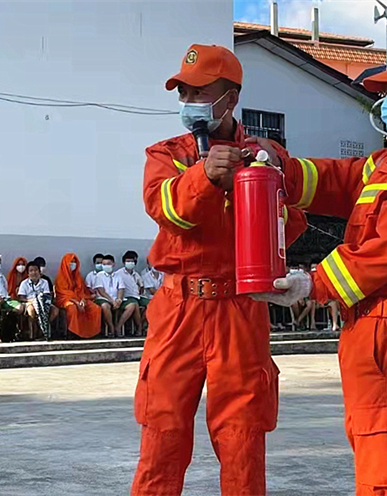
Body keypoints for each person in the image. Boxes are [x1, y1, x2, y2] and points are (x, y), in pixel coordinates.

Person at [251, 39, 387, 496]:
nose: (384, 100)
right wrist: (283, 167)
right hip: (376, 330)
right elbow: (341, 178)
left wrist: (311, 284)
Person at [132, 43, 307, 496]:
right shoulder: (166, 154)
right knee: (162, 433)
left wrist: (258, 183)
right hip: (178, 308)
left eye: (198, 92)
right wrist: (205, 177)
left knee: (242, 437)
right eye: (183, 93)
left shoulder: (263, 157)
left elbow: (287, 227)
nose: (189, 103)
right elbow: (167, 209)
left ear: (229, 98)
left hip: (239, 308)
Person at [55, 253, 102, 339]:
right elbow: (65, 294)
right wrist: (77, 302)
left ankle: (91, 333)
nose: (73, 264)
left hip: (80, 299)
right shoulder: (60, 278)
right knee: (72, 308)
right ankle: (73, 332)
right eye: (71, 262)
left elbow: (82, 291)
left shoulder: (78, 276)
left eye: (74, 262)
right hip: (66, 300)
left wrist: (83, 300)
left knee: (95, 308)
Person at [18, 262, 57, 340]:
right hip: (29, 302)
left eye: (36, 270)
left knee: (55, 310)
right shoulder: (24, 283)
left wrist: (40, 301)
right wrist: (32, 301)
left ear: (40, 272)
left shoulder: (44, 282)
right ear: (28, 273)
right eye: (31, 271)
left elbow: (47, 296)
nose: (33, 273)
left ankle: (43, 328)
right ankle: (33, 333)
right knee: (31, 310)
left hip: (43, 303)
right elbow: (21, 297)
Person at [91, 254, 122, 337]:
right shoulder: (99, 275)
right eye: (104, 264)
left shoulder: (118, 275)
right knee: (105, 306)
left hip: (116, 299)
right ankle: (111, 327)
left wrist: (119, 299)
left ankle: (118, 326)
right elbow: (101, 291)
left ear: (113, 264)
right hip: (103, 298)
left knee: (132, 306)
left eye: (108, 264)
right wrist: (112, 301)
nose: (106, 266)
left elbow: (121, 288)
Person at [115, 251, 144, 337]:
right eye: (128, 261)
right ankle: (137, 327)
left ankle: (140, 325)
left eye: (132, 261)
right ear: (124, 262)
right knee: (134, 305)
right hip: (127, 297)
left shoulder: (136, 274)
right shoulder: (119, 273)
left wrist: (140, 287)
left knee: (151, 305)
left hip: (138, 296)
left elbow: (141, 285)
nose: (130, 263)